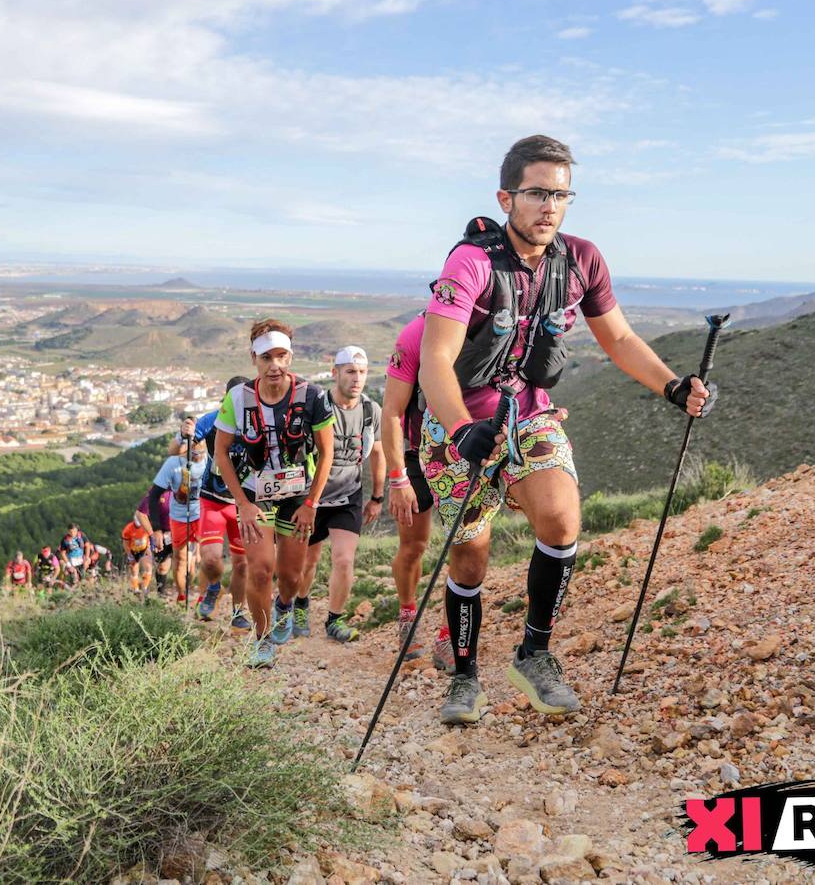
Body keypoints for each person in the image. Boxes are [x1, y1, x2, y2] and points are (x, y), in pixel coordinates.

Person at [419, 134, 716, 725]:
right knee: (470, 555)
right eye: (536, 193)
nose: (549, 206)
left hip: (530, 412)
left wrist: (672, 387)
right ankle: (464, 674)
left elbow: (620, 339)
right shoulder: (472, 262)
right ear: (506, 198)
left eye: (561, 194)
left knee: (560, 518)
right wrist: (459, 430)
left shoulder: (582, 260)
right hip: (460, 420)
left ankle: (534, 652)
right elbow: (435, 359)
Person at [213, 318, 336, 668]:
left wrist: (312, 503)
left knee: (290, 576)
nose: (274, 365)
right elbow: (220, 452)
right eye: (266, 358)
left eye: (281, 356)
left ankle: (284, 605)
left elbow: (327, 452)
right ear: (254, 359)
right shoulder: (238, 399)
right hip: (255, 493)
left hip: (299, 495)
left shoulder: (312, 396)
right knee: (260, 570)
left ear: (291, 357)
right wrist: (242, 503)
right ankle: (263, 639)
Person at [294, 346, 384, 643]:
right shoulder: (318, 407)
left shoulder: (371, 410)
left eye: (361, 372)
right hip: (313, 497)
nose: (357, 378)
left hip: (349, 495)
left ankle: (334, 619)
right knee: (308, 561)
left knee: (344, 560)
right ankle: (300, 604)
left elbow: (378, 454)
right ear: (335, 374)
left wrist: (377, 496)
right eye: (350, 372)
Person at [382, 314, 452, 668]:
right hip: (416, 454)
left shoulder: (486, 328)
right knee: (414, 546)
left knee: (467, 545)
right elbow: (391, 411)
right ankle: (408, 616)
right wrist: (397, 480)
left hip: (464, 454)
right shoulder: (416, 334)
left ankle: (449, 635)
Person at [173, 377, 252, 630]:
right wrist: (182, 435)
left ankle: (238, 612)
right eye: (234, 398)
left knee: (242, 563)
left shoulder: (258, 421)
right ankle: (214, 588)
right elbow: (175, 450)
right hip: (213, 499)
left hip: (245, 504)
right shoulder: (214, 418)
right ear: (226, 398)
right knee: (209, 560)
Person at [149, 440, 207, 606]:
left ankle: (204, 598)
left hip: (202, 512)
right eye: (195, 454)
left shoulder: (210, 459)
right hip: (180, 516)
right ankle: (182, 595)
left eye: (202, 454)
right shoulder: (174, 464)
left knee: (207, 556)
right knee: (180, 558)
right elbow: (153, 495)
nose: (199, 457)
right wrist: (156, 529)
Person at [121, 514, 153, 597]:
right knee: (134, 570)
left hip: (144, 549)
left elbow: (151, 536)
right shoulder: (128, 529)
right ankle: (136, 589)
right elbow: (125, 543)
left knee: (148, 567)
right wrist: (129, 554)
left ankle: (144, 587)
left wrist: (149, 547)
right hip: (133, 551)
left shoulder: (146, 525)